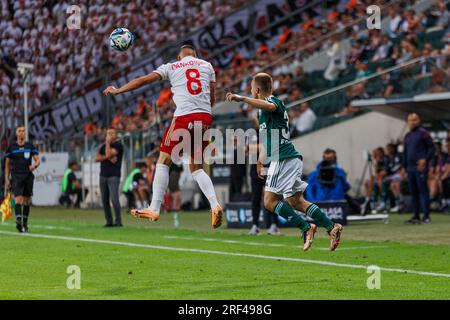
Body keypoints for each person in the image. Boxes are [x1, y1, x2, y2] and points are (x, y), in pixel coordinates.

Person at [103, 44, 223, 228]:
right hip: (205, 117)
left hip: (184, 116)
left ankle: (154, 207)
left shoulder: (172, 66)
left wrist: (119, 90)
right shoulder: (207, 66)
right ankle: (215, 205)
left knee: (163, 160)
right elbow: (212, 98)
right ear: (195, 55)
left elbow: (143, 80)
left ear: (179, 56)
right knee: (197, 167)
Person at [226, 73, 343, 251]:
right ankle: (331, 226)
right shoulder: (262, 112)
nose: (250, 91)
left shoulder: (274, 102)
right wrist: (259, 160)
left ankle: (306, 228)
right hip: (285, 158)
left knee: (269, 201)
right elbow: (268, 138)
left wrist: (241, 98)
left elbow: (270, 106)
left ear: (257, 90)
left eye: (251, 88)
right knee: (296, 202)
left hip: (283, 158)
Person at [4, 125, 40, 233]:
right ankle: (18, 222)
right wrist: (7, 178)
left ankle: (25, 223)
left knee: (26, 201)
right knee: (18, 199)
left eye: (23, 131)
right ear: (16, 133)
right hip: (16, 176)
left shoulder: (30, 146)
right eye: (19, 131)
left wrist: (34, 166)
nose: (21, 133)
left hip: (28, 176)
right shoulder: (12, 147)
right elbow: (7, 164)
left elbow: (38, 160)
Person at [403, 113, 435, 224]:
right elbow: (405, 152)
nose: (413, 122)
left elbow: (432, 148)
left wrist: (425, 159)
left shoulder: (424, 134)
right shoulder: (407, 136)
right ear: (408, 122)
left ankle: (426, 216)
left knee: (423, 191)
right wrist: (404, 167)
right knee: (413, 192)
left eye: (415, 120)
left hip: (420, 168)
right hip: (410, 168)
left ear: (419, 121)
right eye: (410, 120)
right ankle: (416, 215)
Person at [96, 128, 124, 227]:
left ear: (116, 134)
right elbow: (97, 158)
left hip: (113, 176)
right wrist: (108, 157)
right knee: (104, 200)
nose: (110, 135)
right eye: (108, 133)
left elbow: (107, 154)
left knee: (114, 199)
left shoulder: (118, 145)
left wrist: (107, 146)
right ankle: (109, 221)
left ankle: (118, 221)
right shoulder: (102, 146)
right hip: (102, 175)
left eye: (112, 133)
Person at [168, 163, 183, 228]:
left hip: (177, 177)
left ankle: (176, 216)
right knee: (176, 196)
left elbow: (181, 170)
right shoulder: (173, 159)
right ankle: (175, 218)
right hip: (173, 177)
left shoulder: (180, 161)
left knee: (179, 197)